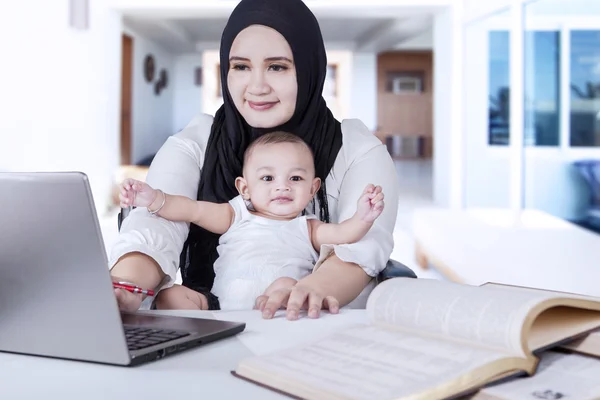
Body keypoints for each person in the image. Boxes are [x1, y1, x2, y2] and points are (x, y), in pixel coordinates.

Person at [109, 0, 399, 320]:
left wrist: (306, 291)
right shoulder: (198, 141)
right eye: (241, 66)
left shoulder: (356, 148)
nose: (257, 87)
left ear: (309, 68)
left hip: (318, 327)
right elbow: (154, 228)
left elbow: (359, 248)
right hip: (214, 326)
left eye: (277, 66)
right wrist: (124, 288)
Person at [118, 131, 385, 310]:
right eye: (268, 178)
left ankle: (275, 308)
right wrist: (153, 197)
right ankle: (197, 338)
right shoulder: (235, 215)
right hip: (219, 307)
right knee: (171, 296)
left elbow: (345, 234)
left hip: (278, 305)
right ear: (244, 188)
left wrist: (364, 216)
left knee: (286, 285)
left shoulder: (308, 228)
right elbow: (191, 210)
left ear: (313, 188)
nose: (282, 187)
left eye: (295, 178)